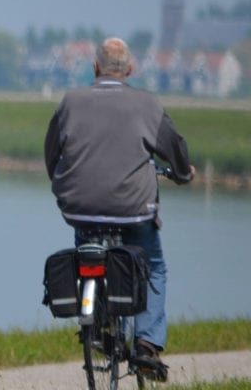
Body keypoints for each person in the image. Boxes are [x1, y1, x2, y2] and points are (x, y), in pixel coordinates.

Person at [44, 37, 194, 380]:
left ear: (95, 68)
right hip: (133, 210)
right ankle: (147, 344)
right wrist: (184, 174)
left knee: (88, 254)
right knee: (153, 267)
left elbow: (51, 152)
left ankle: (96, 323)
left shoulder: (70, 101)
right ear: (129, 69)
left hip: (81, 207)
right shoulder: (147, 104)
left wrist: (61, 182)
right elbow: (176, 149)